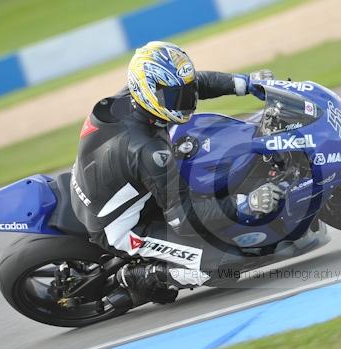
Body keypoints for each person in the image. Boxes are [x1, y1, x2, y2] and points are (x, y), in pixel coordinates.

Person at [70, 41, 283, 307]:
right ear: (149, 93)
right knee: (225, 264)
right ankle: (139, 277)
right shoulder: (148, 150)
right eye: (175, 98)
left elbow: (195, 84)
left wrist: (245, 83)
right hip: (120, 226)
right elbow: (183, 218)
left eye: (183, 93)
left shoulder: (132, 99)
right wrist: (246, 204)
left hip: (107, 183)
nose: (185, 102)